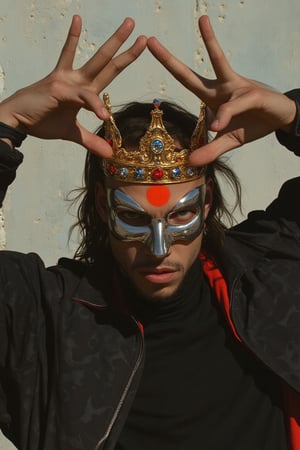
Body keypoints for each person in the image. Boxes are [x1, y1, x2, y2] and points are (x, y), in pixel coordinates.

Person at [0, 13, 300, 450]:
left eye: (180, 217)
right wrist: (6, 124)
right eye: (135, 219)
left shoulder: (274, 273)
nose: (160, 250)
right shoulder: (43, 318)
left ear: (208, 203)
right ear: (104, 207)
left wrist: (293, 115)